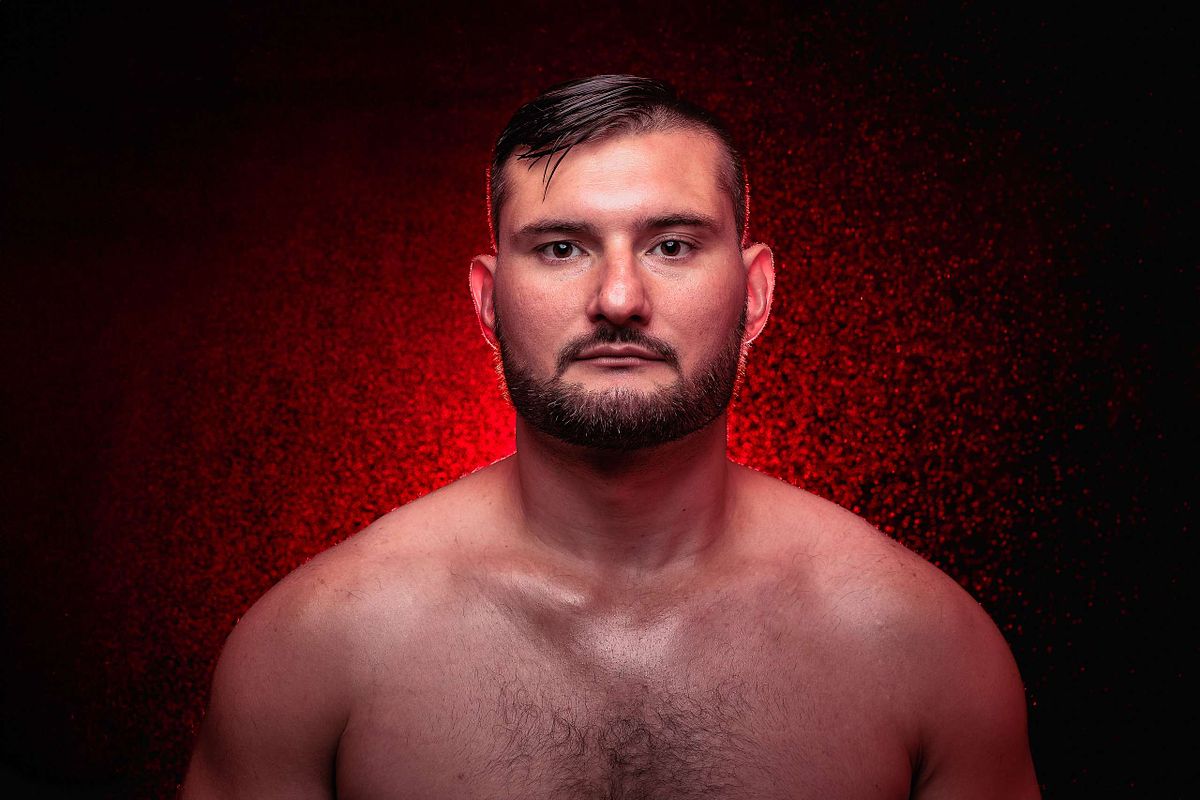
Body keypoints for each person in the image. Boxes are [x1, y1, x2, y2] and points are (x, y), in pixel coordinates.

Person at [181, 74, 1040, 799]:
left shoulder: (922, 650)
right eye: (562, 249)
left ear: (756, 295)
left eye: (672, 245)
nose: (620, 299)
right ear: (487, 301)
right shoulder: (319, 648)